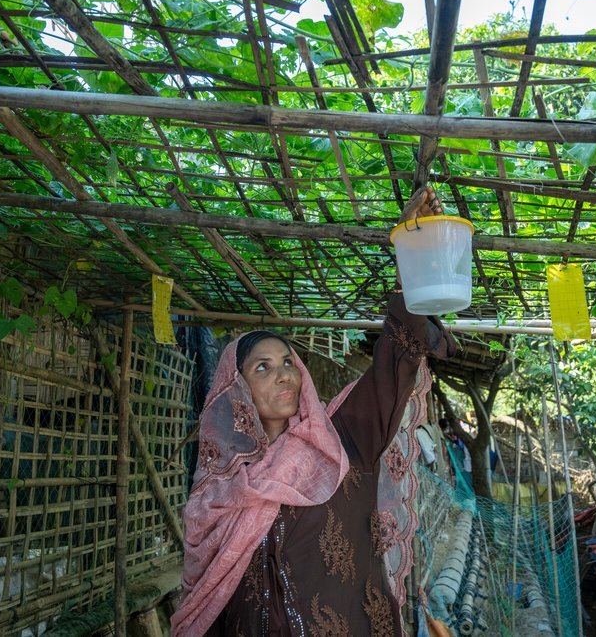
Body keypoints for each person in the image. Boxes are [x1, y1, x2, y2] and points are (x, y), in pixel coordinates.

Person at [172, 187, 457, 636]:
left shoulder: (343, 442)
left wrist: (413, 249)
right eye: (262, 367)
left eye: (289, 362)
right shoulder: (216, 492)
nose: (284, 375)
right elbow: (206, 599)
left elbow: (394, 358)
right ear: (237, 391)